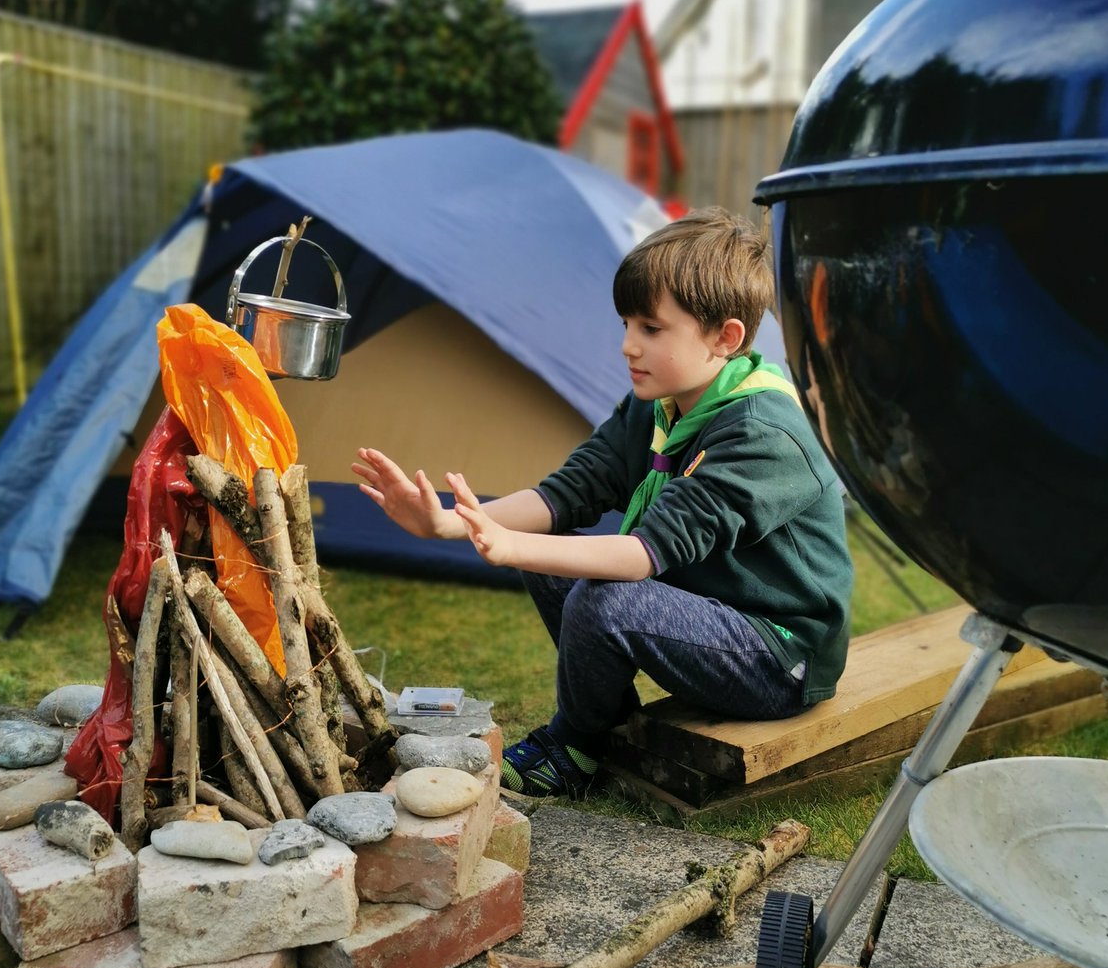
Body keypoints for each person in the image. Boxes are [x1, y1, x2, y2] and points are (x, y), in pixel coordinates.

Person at [352, 207, 853, 798]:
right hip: (709, 615)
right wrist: (448, 523)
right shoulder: (661, 400)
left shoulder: (763, 432)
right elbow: (570, 492)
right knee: (553, 563)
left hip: (777, 656)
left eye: (651, 328)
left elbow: (645, 554)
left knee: (602, 597)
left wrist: (513, 543)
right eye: (626, 325)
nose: (626, 346)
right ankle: (610, 731)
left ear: (726, 337)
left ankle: (576, 747)